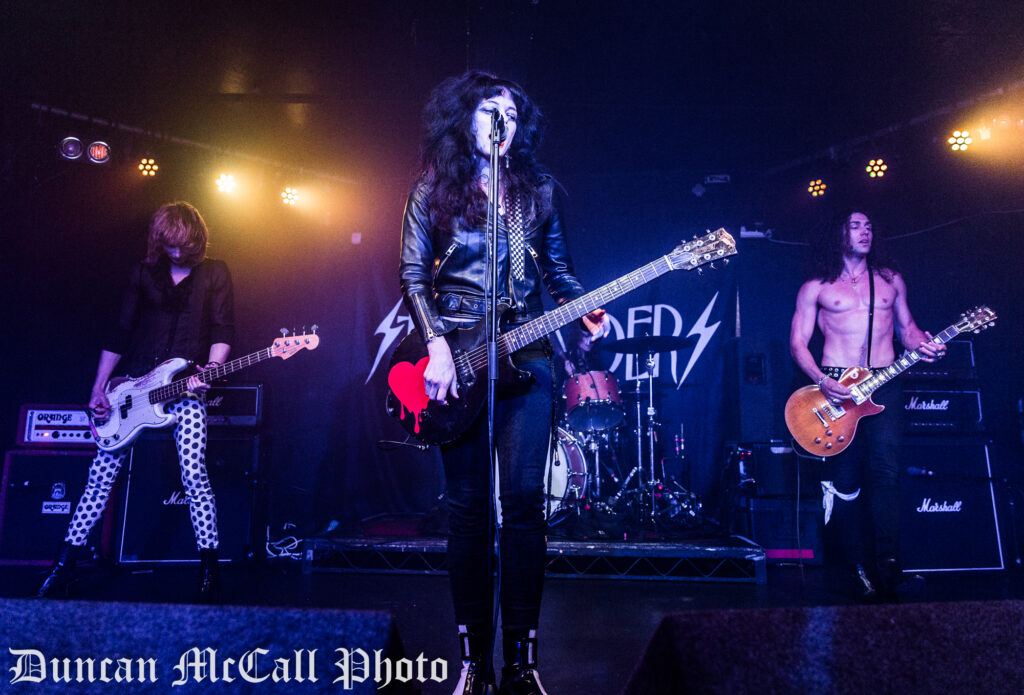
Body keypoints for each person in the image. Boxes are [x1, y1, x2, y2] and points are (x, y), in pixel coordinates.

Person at [399, 71, 608, 695]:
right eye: (490, 109)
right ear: (464, 118)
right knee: (467, 511)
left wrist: (585, 307)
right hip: (458, 354)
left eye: (512, 112)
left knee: (522, 507)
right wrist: (436, 345)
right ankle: (472, 660)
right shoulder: (434, 187)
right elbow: (413, 275)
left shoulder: (539, 191)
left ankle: (521, 662)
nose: (502, 119)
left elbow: (560, 271)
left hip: (530, 354)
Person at [37, 201, 234, 603]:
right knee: (100, 475)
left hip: (183, 388)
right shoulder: (144, 273)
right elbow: (119, 331)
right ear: (161, 241)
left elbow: (222, 326)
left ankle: (210, 571)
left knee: (194, 474)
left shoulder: (215, 271)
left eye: (185, 245)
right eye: (171, 246)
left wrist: (209, 372)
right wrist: (99, 388)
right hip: (132, 389)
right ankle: (65, 564)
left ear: (197, 237)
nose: (179, 254)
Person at [789, 210, 944, 601]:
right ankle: (856, 569)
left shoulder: (890, 281)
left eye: (869, 225)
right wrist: (824, 381)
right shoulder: (816, 287)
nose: (865, 231)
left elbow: (907, 329)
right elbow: (797, 344)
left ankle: (890, 568)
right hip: (835, 385)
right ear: (838, 233)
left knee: (887, 475)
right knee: (846, 483)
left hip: (885, 381)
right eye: (855, 226)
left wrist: (924, 342)